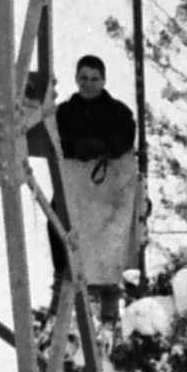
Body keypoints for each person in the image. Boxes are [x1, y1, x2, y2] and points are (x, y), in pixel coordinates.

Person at [47, 53, 147, 298]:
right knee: (56, 220)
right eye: (84, 78)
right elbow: (54, 140)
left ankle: (110, 293)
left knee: (114, 231)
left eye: (94, 78)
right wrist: (76, 148)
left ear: (103, 81)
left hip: (108, 190)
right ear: (76, 79)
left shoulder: (119, 112)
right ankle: (62, 280)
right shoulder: (64, 113)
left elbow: (125, 137)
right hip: (76, 188)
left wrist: (105, 147)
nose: (88, 83)